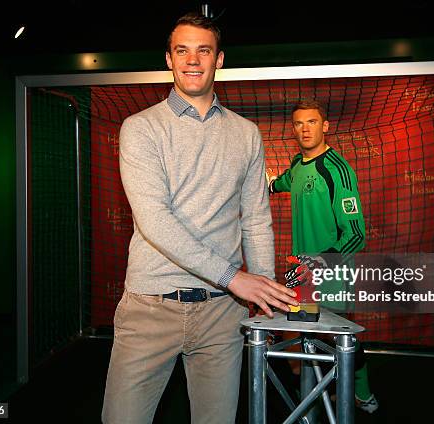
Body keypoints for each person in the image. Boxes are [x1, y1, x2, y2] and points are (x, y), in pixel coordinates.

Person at [102, 12, 298, 424]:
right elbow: (155, 220)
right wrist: (236, 277)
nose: (193, 60)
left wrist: (259, 289)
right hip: (149, 308)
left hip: (221, 314)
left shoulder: (246, 134)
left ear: (219, 59)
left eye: (203, 50)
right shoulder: (140, 128)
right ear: (169, 59)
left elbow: (257, 219)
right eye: (182, 50)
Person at [267, 100, 379, 413]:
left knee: (339, 337)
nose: (305, 129)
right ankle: (314, 395)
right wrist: (268, 184)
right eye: (299, 123)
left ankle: (362, 392)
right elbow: (284, 182)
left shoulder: (338, 170)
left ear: (325, 126)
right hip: (300, 269)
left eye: (312, 122)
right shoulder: (297, 165)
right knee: (299, 334)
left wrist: (321, 263)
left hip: (331, 270)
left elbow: (356, 235)